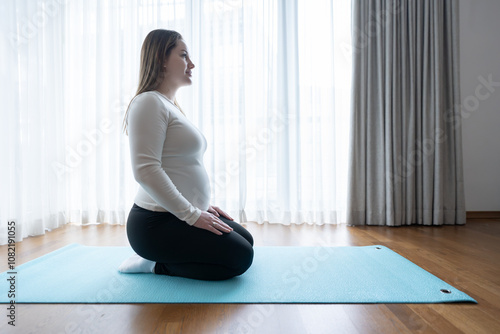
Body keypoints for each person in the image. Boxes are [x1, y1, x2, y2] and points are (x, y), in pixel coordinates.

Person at [118, 29, 254, 281]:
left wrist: (200, 206)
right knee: (240, 258)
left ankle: (164, 256)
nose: (191, 64)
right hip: (154, 224)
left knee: (246, 240)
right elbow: (146, 170)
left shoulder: (168, 105)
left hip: (176, 214)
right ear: (160, 58)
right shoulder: (148, 102)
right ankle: (154, 264)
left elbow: (179, 165)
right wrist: (192, 214)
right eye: (183, 55)